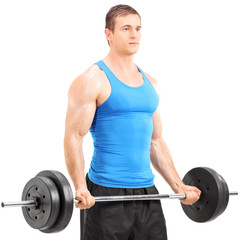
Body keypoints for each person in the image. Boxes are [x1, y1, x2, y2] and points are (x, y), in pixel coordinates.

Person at [64, 4, 201, 240]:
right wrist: (79, 187)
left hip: (148, 193)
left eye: (138, 28)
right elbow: (73, 137)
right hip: (105, 192)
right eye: (126, 28)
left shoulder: (151, 84)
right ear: (108, 34)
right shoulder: (92, 80)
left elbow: (156, 142)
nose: (134, 34)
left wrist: (178, 186)